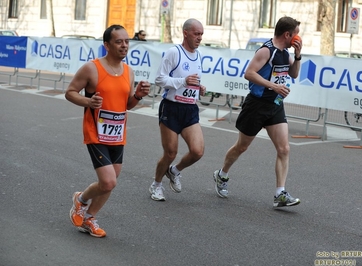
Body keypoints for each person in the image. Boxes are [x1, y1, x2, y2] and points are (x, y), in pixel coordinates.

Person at [65, 24, 150, 237]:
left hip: (117, 133)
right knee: (109, 180)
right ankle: (81, 200)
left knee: (110, 181)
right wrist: (88, 101)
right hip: (96, 131)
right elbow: (70, 92)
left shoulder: (129, 71)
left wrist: (138, 95)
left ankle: (89, 217)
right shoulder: (92, 68)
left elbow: (127, 105)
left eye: (127, 41)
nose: (124, 45)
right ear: (107, 45)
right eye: (119, 42)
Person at [212, 16, 302, 207]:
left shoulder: (286, 53)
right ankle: (222, 174)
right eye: (296, 34)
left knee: (284, 148)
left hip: (275, 105)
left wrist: (299, 55)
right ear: (288, 34)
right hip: (257, 105)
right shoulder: (266, 50)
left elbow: (293, 74)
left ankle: (280, 193)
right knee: (241, 147)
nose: (298, 37)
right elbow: (249, 73)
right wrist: (273, 86)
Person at [149, 18, 206, 201]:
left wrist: (199, 88)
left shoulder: (198, 55)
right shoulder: (174, 53)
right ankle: (156, 185)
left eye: (201, 34)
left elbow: (191, 81)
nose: (199, 38)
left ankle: (174, 171)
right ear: (186, 33)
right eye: (196, 34)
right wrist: (183, 81)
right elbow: (159, 79)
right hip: (171, 108)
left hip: (190, 109)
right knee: (170, 153)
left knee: (197, 151)